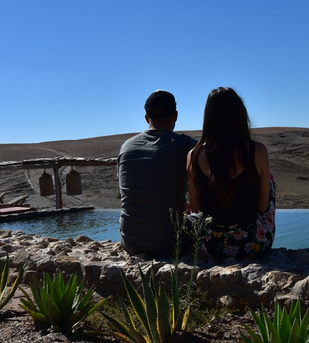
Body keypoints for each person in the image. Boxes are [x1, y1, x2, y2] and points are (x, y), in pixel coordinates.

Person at [187, 87, 275, 260]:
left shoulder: (193, 155)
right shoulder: (257, 151)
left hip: (211, 246)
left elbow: (196, 210)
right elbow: (263, 207)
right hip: (253, 244)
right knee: (269, 179)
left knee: (190, 186)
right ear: (240, 115)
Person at [118, 90, 197, 258]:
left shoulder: (126, 147)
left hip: (131, 242)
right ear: (175, 116)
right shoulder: (186, 145)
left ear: (147, 118)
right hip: (171, 243)